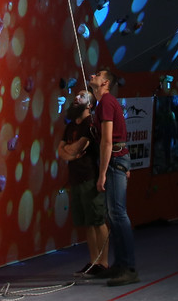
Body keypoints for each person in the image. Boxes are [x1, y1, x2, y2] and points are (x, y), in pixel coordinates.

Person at [88, 67, 138, 286]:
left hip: (115, 161)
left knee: (118, 213)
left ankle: (129, 267)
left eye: (98, 75)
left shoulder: (107, 102)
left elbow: (107, 141)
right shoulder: (102, 104)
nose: (93, 76)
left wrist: (102, 174)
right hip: (117, 161)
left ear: (105, 83)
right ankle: (119, 265)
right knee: (113, 214)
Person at [57, 91, 108, 277]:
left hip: (89, 177)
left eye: (82, 96)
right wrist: (70, 154)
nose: (77, 98)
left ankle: (104, 263)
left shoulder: (90, 124)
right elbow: (61, 150)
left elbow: (78, 146)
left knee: (98, 220)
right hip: (76, 178)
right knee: (88, 222)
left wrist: (69, 151)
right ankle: (93, 261)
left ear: (90, 105)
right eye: (77, 95)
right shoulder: (70, 126)